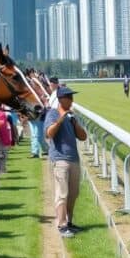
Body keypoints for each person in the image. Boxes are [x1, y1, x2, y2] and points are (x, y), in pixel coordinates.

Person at [44, 85, 88, 239]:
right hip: (59, 158)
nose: (71, 100)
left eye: (72, 97)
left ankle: (69, 222)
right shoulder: (52, 113)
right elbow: (49, 133)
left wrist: (75, 123)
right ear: (60, 99)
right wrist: (61, 119)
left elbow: (83, 137)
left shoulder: (72, 116)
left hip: (74, 158)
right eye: (68, 97)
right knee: (62, 193)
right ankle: (61, 225)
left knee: (73, 194)